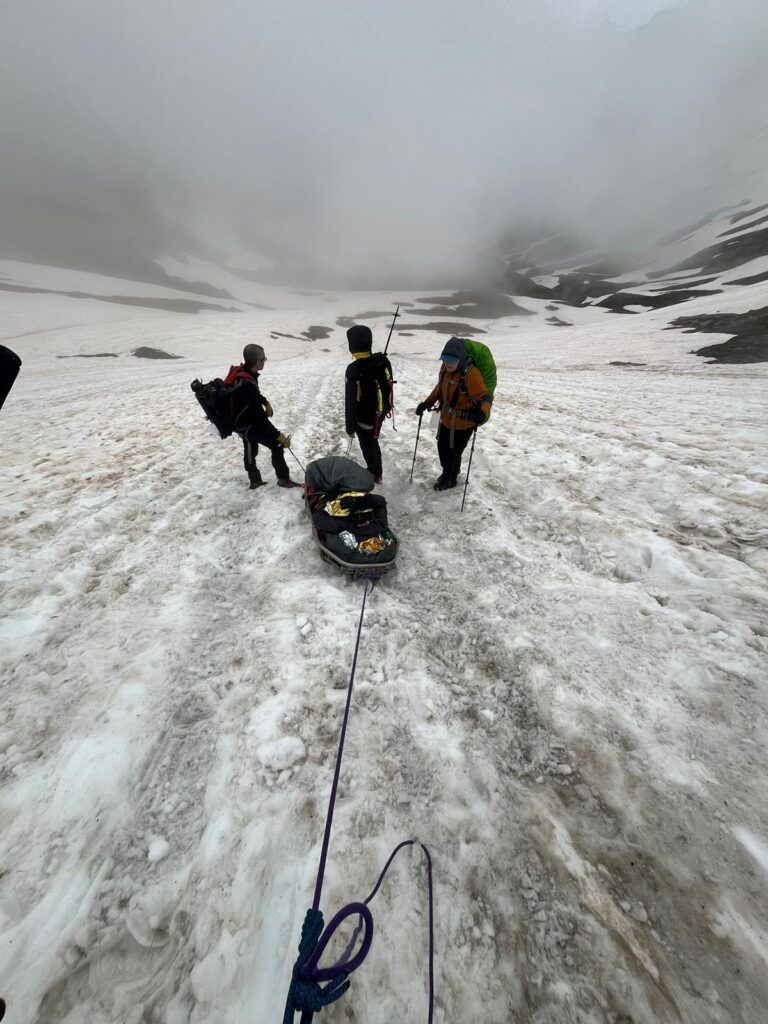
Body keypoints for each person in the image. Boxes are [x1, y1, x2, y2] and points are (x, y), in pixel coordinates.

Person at [415, 337, 491, 491]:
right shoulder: (445, 370)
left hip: (464, 423)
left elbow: (485, 397)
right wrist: (426, 404)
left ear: (460, 358)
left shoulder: (471, 374)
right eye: (445, 359)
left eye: (452, 360)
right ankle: (447, 472)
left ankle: (450, 479)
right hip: (446, 419)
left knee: (454, 452)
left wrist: (482, 413)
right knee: (443, 448)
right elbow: (439, 390)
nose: (448, 363)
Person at [224, 343, 300, 489]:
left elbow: (253, 396)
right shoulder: (247, 383)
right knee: (276, 445)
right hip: (246, 424)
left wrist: (265, 402)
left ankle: (255, 480)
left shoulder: (244, 374)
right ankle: (282, 479)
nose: (264, 361)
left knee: (250, 447)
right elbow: (260, 420)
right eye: (264, 359)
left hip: (242, 420)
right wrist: (279, 436)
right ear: (257, 362)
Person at [344, 325, 394, 484]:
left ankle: (374, 473)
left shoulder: (353, 369)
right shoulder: (381, 361)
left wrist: (350, 427)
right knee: (373, 439)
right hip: (380, 412)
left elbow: (350, 402)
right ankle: (377, 470)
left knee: (367, 444)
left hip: (364, 418)